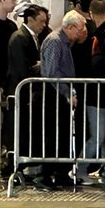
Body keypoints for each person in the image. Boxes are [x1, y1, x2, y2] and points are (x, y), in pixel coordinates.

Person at [32, 12, 89, 191]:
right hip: (53, 94)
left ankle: (60, 173)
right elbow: (50, 72)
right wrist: (67, 92)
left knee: (63, 135)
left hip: (60, 93)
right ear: (70, 27)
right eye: (80, 29)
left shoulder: (64, 42)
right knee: (52, 136)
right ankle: (45, 175)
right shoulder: (55, 41)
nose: (82, 32)